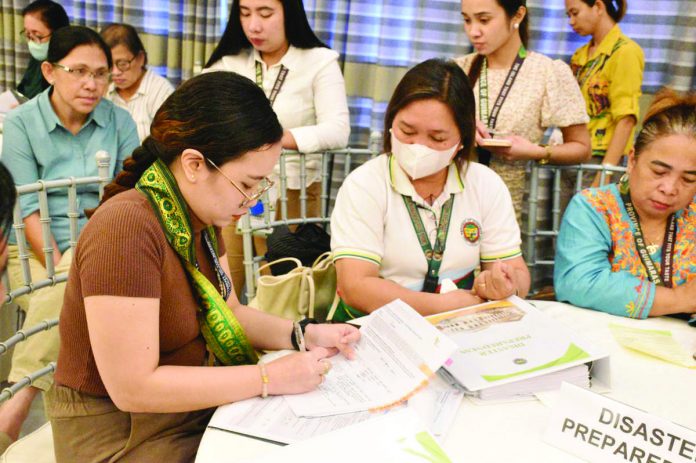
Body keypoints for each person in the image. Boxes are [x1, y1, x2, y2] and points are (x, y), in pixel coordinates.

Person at [47, 71, 359, 461]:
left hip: (184, 410)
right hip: (122, 431)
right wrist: (267, 378)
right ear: (194, 164)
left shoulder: (199, 216)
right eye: (247, 184)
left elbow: (231, 312)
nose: (252, 200)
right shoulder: (127, 228)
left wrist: (303, 334)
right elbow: (132, 387)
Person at [0, 26, 139, 449]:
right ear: (48, 70)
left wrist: (87, 254)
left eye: (101, 73)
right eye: (78, 71)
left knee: (77, 277)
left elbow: (128, 195)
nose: (91, 84)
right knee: (67, 286)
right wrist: (69, 260)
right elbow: (27, 210)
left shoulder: (120, 121)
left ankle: (16, 398)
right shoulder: (21, 124)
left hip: (104, 242)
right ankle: (30, 406)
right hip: (34, 250)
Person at [330, 59, 531, 322]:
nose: (418, 147)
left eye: (437, 138)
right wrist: (442, 306)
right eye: (407, 131)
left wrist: (505, 284)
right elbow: (355, 287)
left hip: (462, 324)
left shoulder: (484, 184)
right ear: (391, 121)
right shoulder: (365, 184)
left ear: (462, 140)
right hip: (374, 326)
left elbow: (516, 272)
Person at [204, 0, 350, 296]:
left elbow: (338, 131)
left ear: (289, 13)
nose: (254, 25)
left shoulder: (318, 62)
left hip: (293, 190)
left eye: (265, 13)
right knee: (223, 288)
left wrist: (270, 138)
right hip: (235, 191)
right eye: (245, 14)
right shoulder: (230, 63)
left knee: (283, 292)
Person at [555, 89, 696, 319]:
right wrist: (681, 299)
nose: (669, 188)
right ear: (632, 160)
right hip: (606, 342)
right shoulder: (594, 207)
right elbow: (578, 282)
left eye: (688, 179)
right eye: (659, 171)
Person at [456, 0, 591, 219]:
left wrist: (536, 152)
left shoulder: (547, 72)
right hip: (453, 202)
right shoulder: (456, 70)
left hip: (506, 211)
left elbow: (582, 148)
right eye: (466, 20)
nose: (473, 31)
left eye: (484, 20)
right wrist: (460, 129)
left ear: (517, 16)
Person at [566, 0, 644, 185]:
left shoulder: (625, 52)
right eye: (568, 15)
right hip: (573, 154)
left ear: (598, 7)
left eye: (575, 13)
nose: (571, 21)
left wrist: (605, 172)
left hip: (601, 158)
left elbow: (626, 119)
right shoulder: (580, 55)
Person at [101, 23, 175, 142]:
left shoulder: (161, 92)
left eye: (123, 64)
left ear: (140, 58)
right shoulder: (105, 91)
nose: (115, 72)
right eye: (109, 65)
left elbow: (168, 147)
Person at [17, 0, 70, 99]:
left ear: (57, 33)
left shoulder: (69, 66)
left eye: (37, 35)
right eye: (28, 35)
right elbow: (23, 90)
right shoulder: (39, 58)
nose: (32, 42)